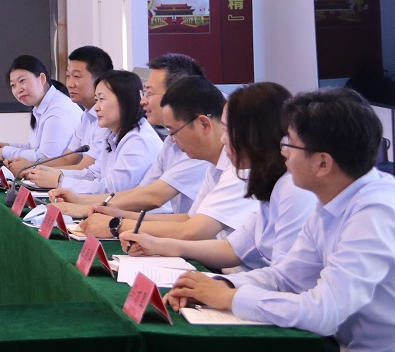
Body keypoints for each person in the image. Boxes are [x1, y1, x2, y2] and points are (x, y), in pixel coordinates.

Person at [167, 88, 395, 352]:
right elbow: (286, 276)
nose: (282, 150)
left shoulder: (375, 213)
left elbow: (324, 311)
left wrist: (231, 298)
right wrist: (220, 286)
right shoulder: (332, 201)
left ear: (323, 162)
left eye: (290, 143)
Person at [121, 82, 316, 269]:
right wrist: (157, 245)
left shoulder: (292, 188)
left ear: (255, 135)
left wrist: (121, 224)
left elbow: (282, 278)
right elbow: (233, 248)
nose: (223, 139)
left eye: (228, 130)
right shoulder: (270, 182)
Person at [87, 75, 257, 241]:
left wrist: (118, 224)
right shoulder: (213, 164)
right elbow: (189, 218)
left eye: (173, 131)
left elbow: (191, 230)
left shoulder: (239, 169)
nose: (173, 139)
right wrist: (122, 215)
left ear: (204, 124)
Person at [45, 53, 208, 218]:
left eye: (149, 94)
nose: (143, 101)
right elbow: (142, 191)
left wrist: (85, 205)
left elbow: (154, 197)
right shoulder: (170, 142)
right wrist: (82, 201)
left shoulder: (192, 145)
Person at [31, 70, 160, 193]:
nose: (96, 107)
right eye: (96, 100)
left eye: (101, 99)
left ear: (124, 101)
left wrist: (59, 181)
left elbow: (110, 190)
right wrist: (54, 173)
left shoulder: (138, 140)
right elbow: (93, 174)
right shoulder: (111, 134)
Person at [11, 45, 113, 175]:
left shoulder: (107, 119)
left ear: (100, 81)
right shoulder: (86, 117)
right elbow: (67, 159)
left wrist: (32, 169)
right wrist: (30, 166)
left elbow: (86, 169)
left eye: (76, 76)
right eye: (68, 76)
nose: (69, 84)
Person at [0, 55, 80, 166]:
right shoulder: (39, 108)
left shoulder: (57, 110)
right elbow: (34, 148)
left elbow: (46, 158)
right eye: (13, 85)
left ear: (42, 79)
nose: (18, 90)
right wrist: (8, 146)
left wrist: (6, 152)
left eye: (22, 81)